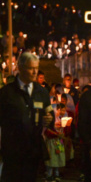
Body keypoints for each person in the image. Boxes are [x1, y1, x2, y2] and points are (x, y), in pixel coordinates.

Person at [0, 52, 54, 182]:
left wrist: (49, 118)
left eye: (36, 68)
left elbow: (50, 112)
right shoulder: (6, 93)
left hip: (32, 151)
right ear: (20, 67)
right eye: (31, 68)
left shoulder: (42, 92)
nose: (35, 72)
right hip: (12, 152)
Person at [44, 103, 67, 182]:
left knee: (58, 157)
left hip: (58, 142)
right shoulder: (49, 120)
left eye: (59, 109)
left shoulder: (59, 118)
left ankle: (56, 174)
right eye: (58, 109)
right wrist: (57, 134)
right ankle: (49, 174)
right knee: (51, 158)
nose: (59, 111)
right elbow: (47, 131)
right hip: (51, 142)